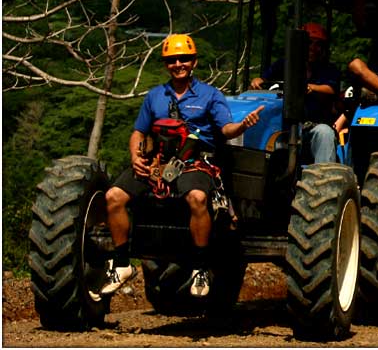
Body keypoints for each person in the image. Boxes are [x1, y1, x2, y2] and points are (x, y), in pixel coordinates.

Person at [101, 34, 264, 298]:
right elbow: (138, 133)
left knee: (197, 198)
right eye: (172, 60)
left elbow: (226, 129)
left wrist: (243, 125)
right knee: (113, 196)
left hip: (195, 163)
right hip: (157, 164)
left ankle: (200, 267)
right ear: (166, 64)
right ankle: (121, 264)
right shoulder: (155, 96)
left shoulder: (211, 95)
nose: (178, 64)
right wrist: (135, 156)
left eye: (184, 59)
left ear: (194, 62)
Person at [250, 22, 340, 163]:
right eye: (309, 43)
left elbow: (330, 89)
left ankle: (323, 174)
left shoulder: (329, 70)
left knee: (325, 132)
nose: (313, 48)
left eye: (318, 44)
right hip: (283, 126)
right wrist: (257, 81)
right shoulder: (284, 64)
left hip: (311, 128)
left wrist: (310, 88)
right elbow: (263, 79)